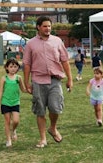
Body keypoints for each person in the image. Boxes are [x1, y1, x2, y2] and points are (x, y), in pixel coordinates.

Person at [23, 16, 73, 148]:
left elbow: (65, 61)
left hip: (55, 80)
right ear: (38, 27)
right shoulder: (31, 44)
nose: (48, 28)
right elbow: (27, 64)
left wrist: (70, 79)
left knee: (55, 108)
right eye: (45, 26)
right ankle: (43, 138)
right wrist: (27, 82)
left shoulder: (57, 41)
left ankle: (53, 128)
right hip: (38, 81)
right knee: (40, 111)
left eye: (49, 26)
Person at [0, 58, 26, 147]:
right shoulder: (4, 78)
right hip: (5, 102)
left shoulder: (18, 78)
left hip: (15, 102)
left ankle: (13, 130)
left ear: (18, 68)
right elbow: (0, 91)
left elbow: (23, 89)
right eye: (11, 66)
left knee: (16, 121)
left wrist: (31, 90)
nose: (13, 68)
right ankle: (8, 140)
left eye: (15, 66)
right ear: (7, 68)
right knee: (7, 121)